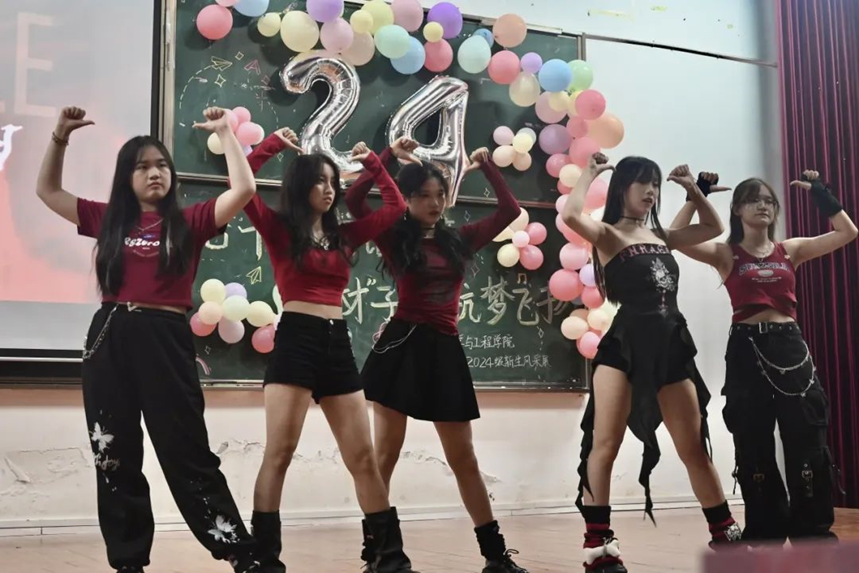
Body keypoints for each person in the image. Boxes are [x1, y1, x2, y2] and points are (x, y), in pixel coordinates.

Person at [35, 106, 262, 573]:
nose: (154, 173)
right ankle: (129, 561)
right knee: (113, 453)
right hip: (111, 335)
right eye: (142, 167)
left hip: (165, 337)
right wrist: (59, 136)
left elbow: (243, 190)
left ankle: (240, 552)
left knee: (187, 451)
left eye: (161, 165)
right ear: (127, 178)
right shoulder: (107, 220)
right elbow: (48, 192)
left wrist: (225, 132)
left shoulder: (191, 221)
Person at [342, 139, 528, 573]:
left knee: (464, 458)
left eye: (439, 194)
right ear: (406, 199)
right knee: (384, 458)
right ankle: (378, 555)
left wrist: (488, 167)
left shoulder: (459, 240)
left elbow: (510, 211)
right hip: (402, 347)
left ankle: (495, 557)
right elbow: (353, 199)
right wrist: (385, 155)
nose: (433, 203)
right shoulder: (393, 235)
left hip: (444, 350)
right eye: (423, 195)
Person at [241, 132, 417, 573]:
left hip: (336, 342)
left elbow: (395, 207)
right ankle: (265, 561)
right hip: (295, 341)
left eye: (333, 182)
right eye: (320, 180)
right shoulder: (279, 228)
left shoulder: (344, 236)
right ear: (301, 185)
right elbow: (241, 186)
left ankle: (389, 559)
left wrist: (378, 160)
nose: (329, 189)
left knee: (362, 457)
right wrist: (271, 145)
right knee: (279, 453)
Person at [561, 155, 742, 573]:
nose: (651, 191)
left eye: (656, 184)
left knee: (694, 445)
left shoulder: (661, 234)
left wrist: (693, 190)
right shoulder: (607, 234)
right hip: (624, 349)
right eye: (642, 182)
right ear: (622, 187)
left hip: (670, 346)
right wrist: (591, 172)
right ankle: (599, 545)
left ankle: (725, 533)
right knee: (605, 444)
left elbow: (713, 228)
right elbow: (571, 214)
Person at [670, 170, 858, 544]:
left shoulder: (791, 249)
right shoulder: (726, 253)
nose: (763, 206)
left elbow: (847, 232)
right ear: (737, 208)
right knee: (752, 437)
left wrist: (821, 193)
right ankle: (767, 525)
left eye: (769, 201)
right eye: (754, 200)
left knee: (806, 434)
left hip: (789, 346)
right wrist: (696, 194)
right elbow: (672, 238)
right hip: (746, 347)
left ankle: (811, 527)